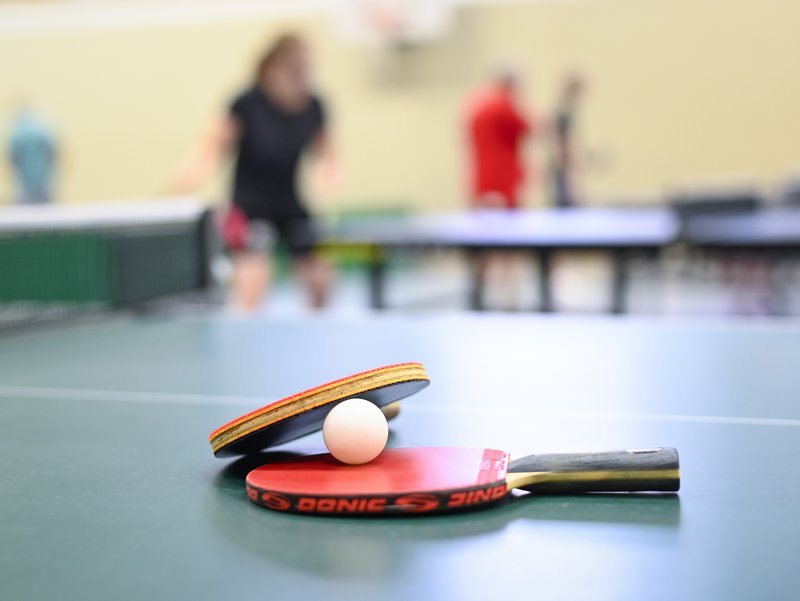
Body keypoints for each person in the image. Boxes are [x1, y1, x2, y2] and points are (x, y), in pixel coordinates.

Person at [172, 33, 336, 311]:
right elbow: (214, 143)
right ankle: (245, 342)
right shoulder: (247, 103)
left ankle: (318, 337)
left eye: (306, 69)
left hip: (290, 205)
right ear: (273, 67)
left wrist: (330, 174)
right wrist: (193, 173)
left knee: (321, 277)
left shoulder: (314, 106)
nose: (303, 75)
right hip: (248, 208)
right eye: (296, 68)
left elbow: (328, 151)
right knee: (254, 279)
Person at [465, 67, 535, 310]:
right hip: (504, 185)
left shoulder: (476, 105)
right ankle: (508, 301)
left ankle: (478, 297)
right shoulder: (505, 105)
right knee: (509, 246)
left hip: (481, 183)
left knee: (482, 245)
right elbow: (531, 128)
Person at [7, 105, 58, 204]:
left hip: (25, 183)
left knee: (23, 212)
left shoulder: (17, 135)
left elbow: (13, 158)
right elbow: (52, 154)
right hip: (43, 181)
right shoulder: (42, 132)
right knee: (48, 211)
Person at [550, 73, 585, 208]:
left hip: (565, 170)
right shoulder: (563, 113)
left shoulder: (566, 112)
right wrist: (572, 177)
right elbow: (561, 146)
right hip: (564, 172)